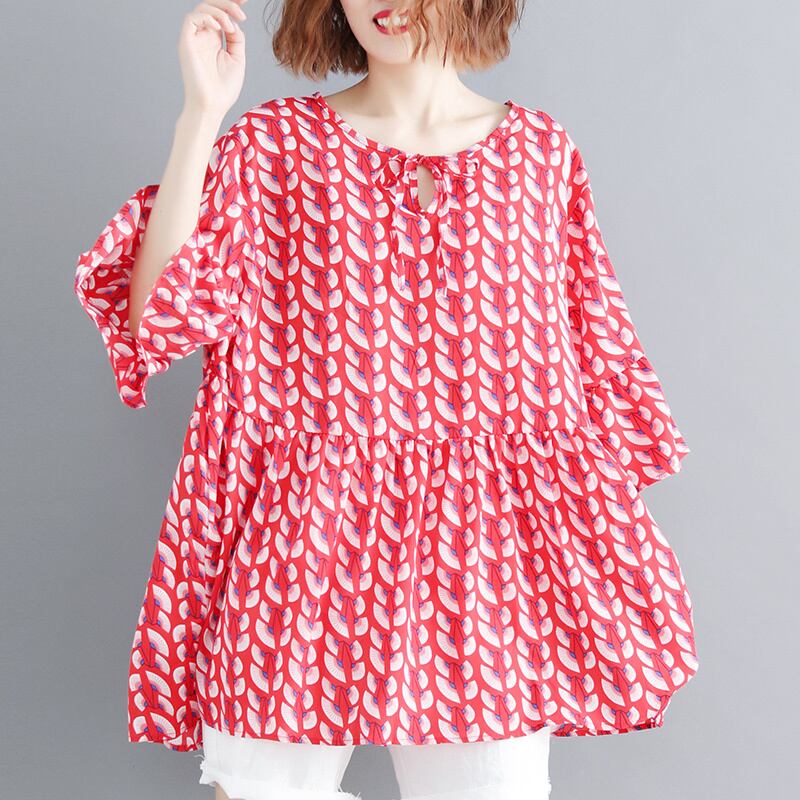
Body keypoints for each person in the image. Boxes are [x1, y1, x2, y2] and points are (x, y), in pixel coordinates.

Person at [73, 1, 699, 798]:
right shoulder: (274, 149)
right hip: (296, 557)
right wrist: (201, 115)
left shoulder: (540, 158)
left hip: (486, 572)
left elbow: (597, 362)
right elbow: (156, 318)